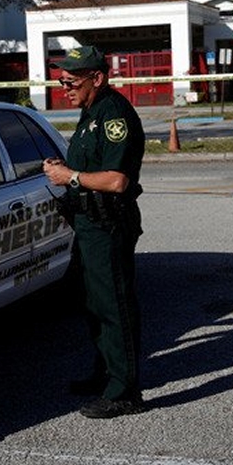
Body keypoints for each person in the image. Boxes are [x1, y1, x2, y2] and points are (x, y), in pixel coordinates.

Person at [43, 45, 147, 419]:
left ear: (97, 78)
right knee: (95, 304)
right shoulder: (91, 112)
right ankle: (106, 374)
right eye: (60, 80)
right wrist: (66, 169)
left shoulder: (114, 114)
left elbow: (117, 180)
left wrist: (68, 176)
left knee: (114, 305)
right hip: (88, 224)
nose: (64, 87)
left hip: (108, 224)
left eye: (71, 80)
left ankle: (125, 391)